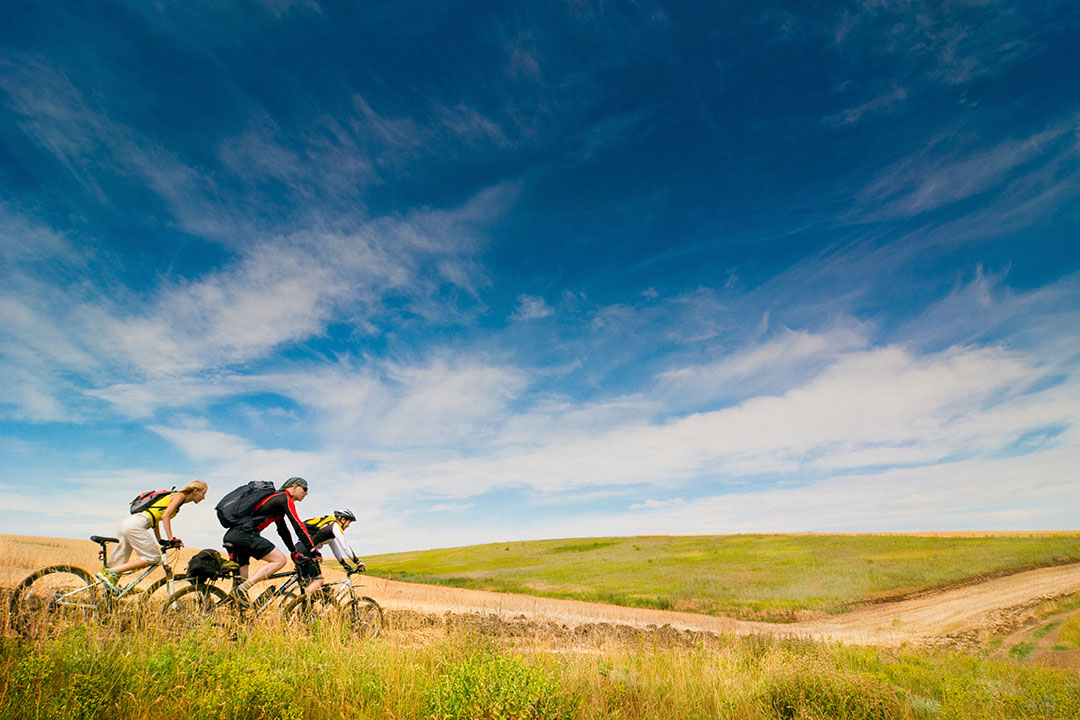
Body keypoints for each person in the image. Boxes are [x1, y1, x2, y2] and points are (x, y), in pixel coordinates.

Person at [96, 480, 208, 592]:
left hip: (128, 523)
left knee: (120, 560)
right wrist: (171, 539)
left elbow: (155, 520)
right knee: (153, 558)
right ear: (195, 491)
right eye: (203, 493)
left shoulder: (176, 497)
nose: (203, 498)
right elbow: (165, 516)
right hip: (136, 525)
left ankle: (109, 589)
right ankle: (110, 573)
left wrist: (160, 540)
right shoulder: (180, 496)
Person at [223, 476, 318, 607]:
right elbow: (298, 525)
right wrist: (312, 549)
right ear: (294, 487)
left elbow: (283, 530)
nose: (306, 493)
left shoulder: (276, 501)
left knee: (241, 585)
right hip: (244, 535)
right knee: (280, 560)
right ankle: (241, 590)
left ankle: (234, 614)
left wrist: (294, 551)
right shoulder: (284, 498)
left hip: (235, 535)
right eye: (305, 489)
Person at [303, 509, 366, 593]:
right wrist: (358, 562)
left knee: (312, 585)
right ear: (343, 520)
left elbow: (335, 549)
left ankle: (305, 603)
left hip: (304, 551)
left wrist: (343, 564)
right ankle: (300, 601)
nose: (348, 526)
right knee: (319, 581)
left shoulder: (330, 530)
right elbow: (345, 546)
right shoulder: (335, 526)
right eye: (348, 523)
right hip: (307, 552)